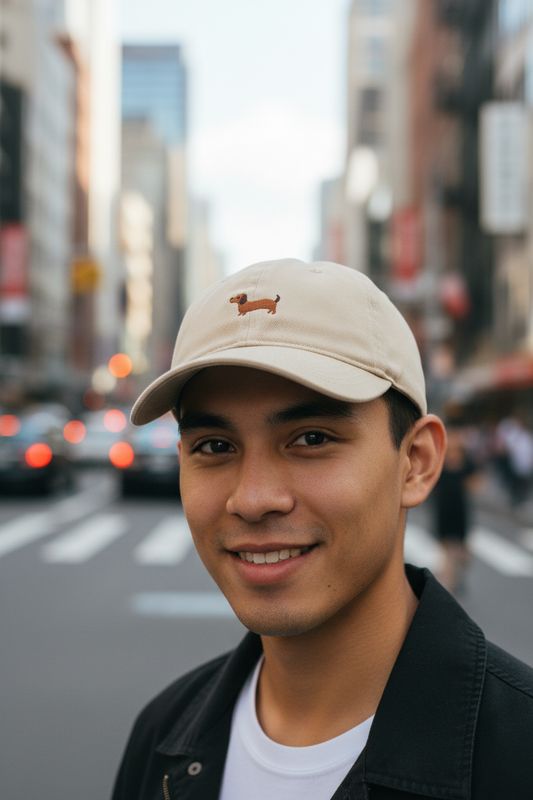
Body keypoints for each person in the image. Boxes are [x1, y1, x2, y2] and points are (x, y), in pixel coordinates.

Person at [111, 259, 533, 800]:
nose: (254, 499)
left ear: (418, 462)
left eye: (311, 439)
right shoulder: (162, 737)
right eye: (215, 447)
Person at [433, 425, 479, 595]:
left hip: (460, 510)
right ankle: (449, 589)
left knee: (463, 553)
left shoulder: (468, 463)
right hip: (443, 510)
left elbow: (477, 484)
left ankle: (460, 576)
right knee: (448, 551)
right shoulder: (439, 461)